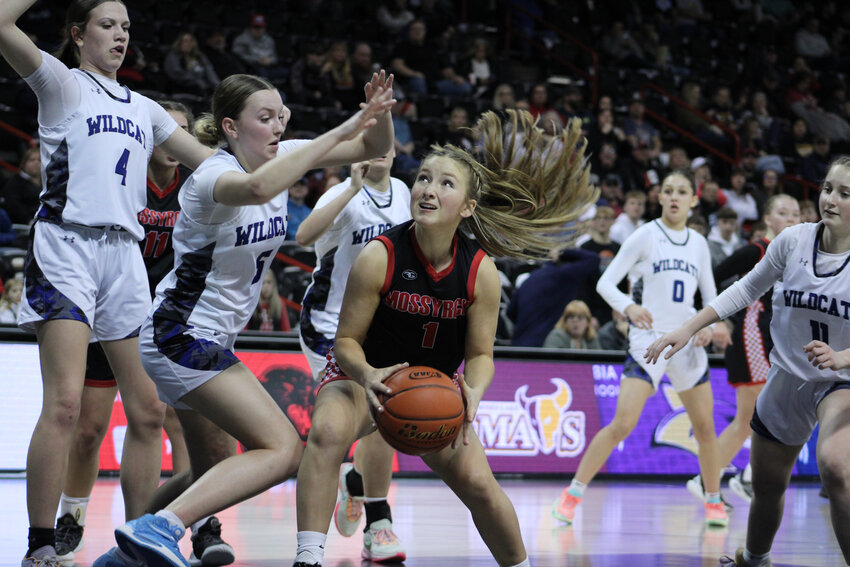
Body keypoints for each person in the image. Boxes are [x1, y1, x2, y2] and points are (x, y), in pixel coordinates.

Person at [92, 72, 396, 567]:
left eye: (282, 116)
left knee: (211, 470)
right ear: (231, 127)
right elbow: (257, 188)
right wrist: (339, 132)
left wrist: (378, 117)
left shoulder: (285, 153)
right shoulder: (214, 175)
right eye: (265, 117)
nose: (278, 126)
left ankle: (121, 554)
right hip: (180, 333)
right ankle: (161, 527)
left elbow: (372, 145)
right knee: (281, 450)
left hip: (209, 336)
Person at [291, 109, 598, 567]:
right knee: (327, 431)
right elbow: (346, 343)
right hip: (365, 375)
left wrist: (473, 390)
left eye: (445, 184)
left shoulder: (481, 272)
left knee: (479, 485)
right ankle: (308, 557)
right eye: (424, 179)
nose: (429, 190)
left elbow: (480, 355)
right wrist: (368, 374)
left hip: (430, 386)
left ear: (468, 206)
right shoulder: (379, 256)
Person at [1, 2, 216, 565]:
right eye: (107, 24)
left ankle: (139, 543)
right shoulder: (61, 83)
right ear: (78, 33)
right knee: (67, 405)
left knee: (147, 410)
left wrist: (291, 155)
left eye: (126, 26)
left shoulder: (145, 107)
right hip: (66, 245)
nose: (120, 34)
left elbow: (212, 166)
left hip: (123, 256)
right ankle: (41, 545)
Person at [53, 101, 238, 567]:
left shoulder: (196, 187)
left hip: (160, 319)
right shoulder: (124, 178)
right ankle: (71, 516)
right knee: (89, 427)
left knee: (162, 420)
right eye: (169, 132)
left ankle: (183, 526)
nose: (178, 142)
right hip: (108, 304)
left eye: (183, 131)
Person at [648, 157, 850, 567]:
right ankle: (754, 560)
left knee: (834, 465)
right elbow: (742, 290)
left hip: (840, 380)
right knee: (767, 486)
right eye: (828, 188)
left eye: (845, 194)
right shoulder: (793, 241)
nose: (830, 199)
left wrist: (842, 357)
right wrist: (689, 327)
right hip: (787, 375)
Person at [553, 170, 733, 528]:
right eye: (669, 191)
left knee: (704, 429)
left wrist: (708, 325)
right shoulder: (645, 235)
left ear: (694, 200)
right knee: (622, 424)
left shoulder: (698, 242)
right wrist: (628, 306)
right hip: (648, 339)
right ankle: (571, 494)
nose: (675, 197)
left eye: (683, 191)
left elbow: (711, 295)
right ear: (660, 197)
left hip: (684, 338)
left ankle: (713, 499)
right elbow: (606, 282)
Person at [296, 150, 411, 562]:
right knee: (347, 421)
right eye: (369, 141)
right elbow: (304, 236)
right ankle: (340, 514)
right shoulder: (341, 191)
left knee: (385, 415)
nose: (378, 149)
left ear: (396, 150)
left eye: (386, 141)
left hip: (381, 326)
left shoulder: (405, 193)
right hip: (329, 325)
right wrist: (350, 188)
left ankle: (376, 518)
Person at [685, 194, 800, 508]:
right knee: (750, 416)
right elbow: (712, 278)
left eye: (796, 213)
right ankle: (707, 479)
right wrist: (717, 320)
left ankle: (744, 476)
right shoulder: (757, 250)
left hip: (776, 341)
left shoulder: (799, 255)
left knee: (773, 414)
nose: (791, 218)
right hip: (750, 337)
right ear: (767, 219)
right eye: (783, 212)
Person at [163, 31, 219, 97]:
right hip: (181, 89)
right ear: (179, 43)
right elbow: (177, 74)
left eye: (191, 41)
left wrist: (218, 86)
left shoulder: (200, 57)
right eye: (185, 41)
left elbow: (210, 72)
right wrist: (197, 82)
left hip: (201, 89)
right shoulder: (173, 56)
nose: (188, 44)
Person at [1, 144, 41, 224]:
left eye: (40, 160)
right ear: (24, 163)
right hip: (23, 227)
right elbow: (14, 207)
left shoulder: (47, 183)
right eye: (32, 160)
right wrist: (29, 221)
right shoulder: (14, 183)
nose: (36, 163)